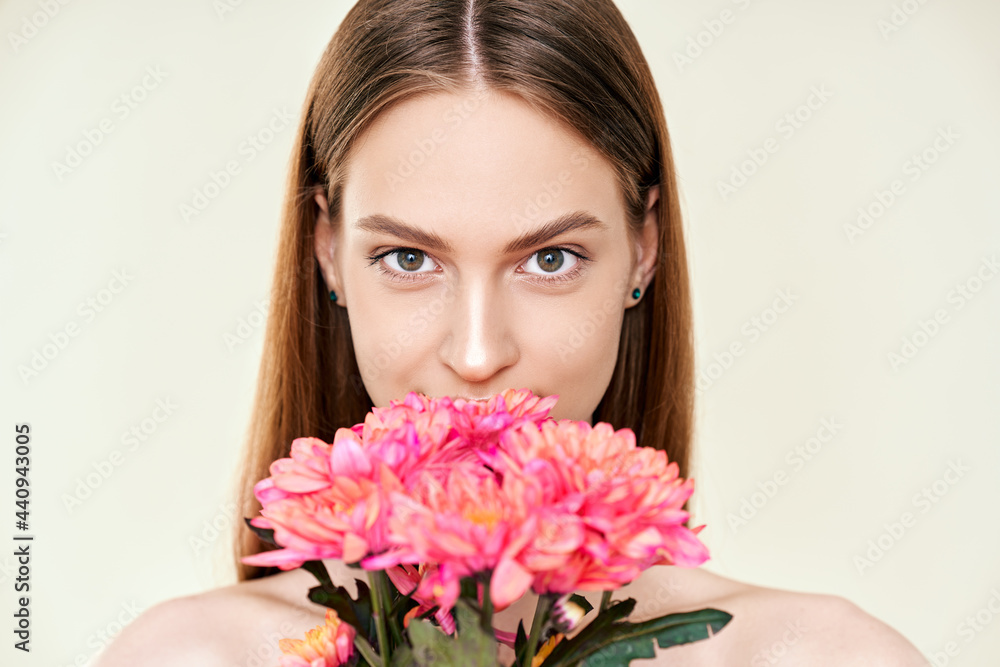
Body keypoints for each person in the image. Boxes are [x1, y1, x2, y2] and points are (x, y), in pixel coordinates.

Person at [96, 0, 929, 664]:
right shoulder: (190, 656)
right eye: (408, 258)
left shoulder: (820, 656)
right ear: (328, 252)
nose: (478, 353)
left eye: (552, 258)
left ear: (644, 248)